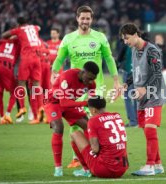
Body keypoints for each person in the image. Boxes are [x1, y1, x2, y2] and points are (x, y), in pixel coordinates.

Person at [51, 5, 121, 168]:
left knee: (96, 119)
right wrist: (54, 71)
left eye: (88, 18)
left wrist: (116, 81)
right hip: (75, 88)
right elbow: (60, 58)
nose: (85, 21)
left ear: (92, 19)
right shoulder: (68, 38)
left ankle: (101, 153)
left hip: (97, 86)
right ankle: (78, 157)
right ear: (77, 19)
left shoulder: (100, 37)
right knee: (75, 120)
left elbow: (109, 59)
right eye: (82, 18)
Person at [119, 23, 166, 176]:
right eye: (123, 39)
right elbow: (135, 73)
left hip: (154, 95)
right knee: (147, 131)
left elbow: (157, 74)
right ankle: (158, 164)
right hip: (142, 97)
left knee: (150, 129)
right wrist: (126, 85)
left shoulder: (152, 50)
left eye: (126, 38)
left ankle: (150, 166)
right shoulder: (134, 50)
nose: (125, 42)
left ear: (135, 34)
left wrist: (146, 89)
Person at [44, 61, 99, 177]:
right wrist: (85, 103)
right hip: (53, 102)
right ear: (83, 72)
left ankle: (87, 167)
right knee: (59, 127)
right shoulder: (67, 76)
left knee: (88, 125)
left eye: (92, 79)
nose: (90, 82)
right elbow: (63, 103)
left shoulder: (91, 84)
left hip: (71, 103)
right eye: (89, 78)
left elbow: (91, 102)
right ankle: (58, 169)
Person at [70, 95, 129, 178]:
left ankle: (86, 170)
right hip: (122, 168)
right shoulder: (117, 116)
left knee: (75, 134)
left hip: (104, 170)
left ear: (93, 110)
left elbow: (95, 149)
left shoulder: (93, 120)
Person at [2, 16, 42, 124]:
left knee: (20, 84)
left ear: (18, 24)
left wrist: (15, 33)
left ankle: (22, 108)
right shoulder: (34, 27)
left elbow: (4, 35)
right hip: (37, 58)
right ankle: (41, 108)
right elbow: (39, 28)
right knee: (36, 85)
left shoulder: (19, 30)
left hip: (26, 58)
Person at [0, 37, 20, 124]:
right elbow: (18, 60)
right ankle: (8, 114)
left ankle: (2, 118)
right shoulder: (17, 45)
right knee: (15, 91)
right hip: (6, 67)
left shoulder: (2, 43)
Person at [117, 43, 138, 127]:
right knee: (136, 96)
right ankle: (138, 120)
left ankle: (133, 121)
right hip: (138, 73)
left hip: (128, 72)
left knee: (127, 97)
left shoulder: (126, 45)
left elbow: (119, 58)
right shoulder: (140, 45)